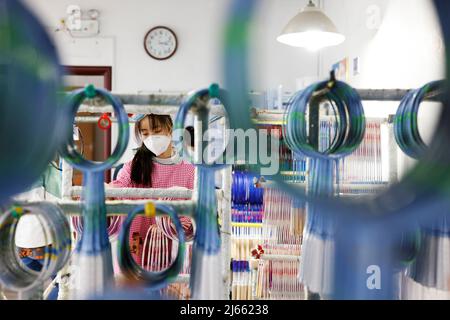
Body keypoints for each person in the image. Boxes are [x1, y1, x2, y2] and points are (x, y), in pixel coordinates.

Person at [109, 114, 195, 267]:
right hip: (135, 249)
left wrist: (175, 224)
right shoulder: (134, 167)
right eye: (146, 133)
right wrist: (104, 191)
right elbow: (118, 187)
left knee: (169, 288)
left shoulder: (190, 172)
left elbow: (194, 218)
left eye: (156, 131)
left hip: (172, 255)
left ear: (170, 128)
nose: (151, 138)